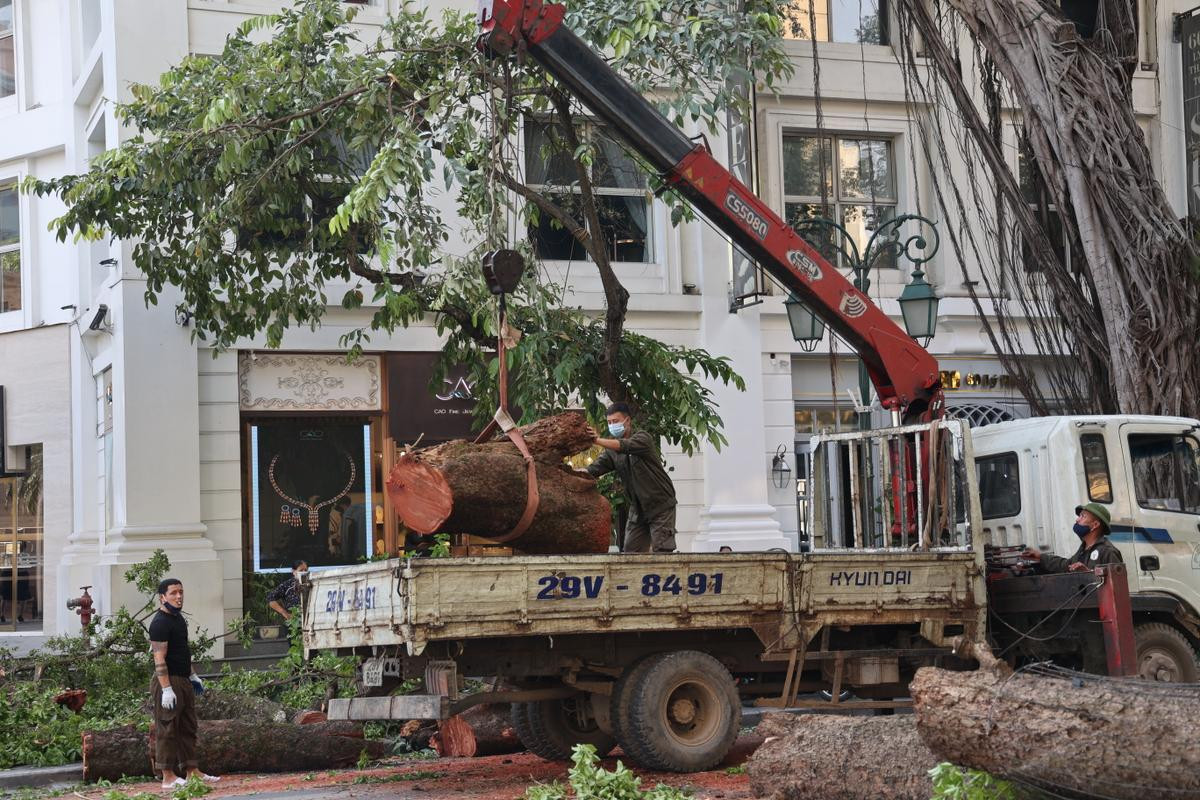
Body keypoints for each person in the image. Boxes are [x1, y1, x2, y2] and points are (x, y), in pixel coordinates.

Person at [148, 578, 219, 790]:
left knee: (188, 726)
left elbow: (182, 653)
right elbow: (159, 658)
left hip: (184, 679)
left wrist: (193, 675)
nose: (179, 597)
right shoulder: (159, 623)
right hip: (167, 681)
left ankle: (191, 771)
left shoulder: (178, 619)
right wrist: (166, 689)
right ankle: (167, 776)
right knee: (167, 727)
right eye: (173, 593)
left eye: (181, 592)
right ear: (162, 597)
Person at [587, 402, 677, 553]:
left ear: (627, 420)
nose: (612, 426)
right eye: (609, 423)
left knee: (662, 551)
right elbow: (593, 470)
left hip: (660, 505)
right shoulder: (611, 452)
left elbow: (624, 446)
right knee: (630, 552)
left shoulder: (643, 438)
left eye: (615, 421)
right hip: (638, 508)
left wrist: (596, 440)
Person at [1023, 502, 1123, 573]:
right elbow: (1065, 565)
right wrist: (1040, 557)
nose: (1077, 520)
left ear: (1095, 524)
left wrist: (1088, 574)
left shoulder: (1108, 552)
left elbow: (1117, 586)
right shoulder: (1083, 550)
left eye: (1083, 516)